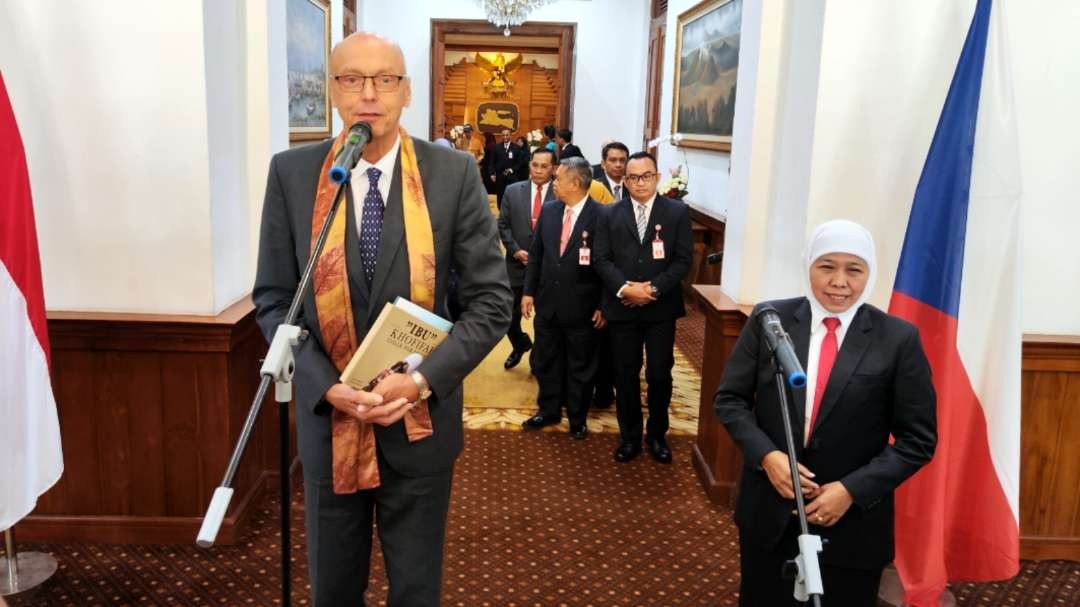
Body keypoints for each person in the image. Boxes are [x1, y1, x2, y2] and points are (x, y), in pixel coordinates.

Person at [252, 32, 511, 606]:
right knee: (333, 589)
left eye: (385, 80)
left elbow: (492, 303)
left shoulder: (453, 174)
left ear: (406, 90)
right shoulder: (294, 175)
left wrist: (420, 380)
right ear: (333, 91)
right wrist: (326, 389)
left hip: (418, 426)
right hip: (330, 425)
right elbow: (274, 299)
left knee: (416, 589)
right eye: (352, 79)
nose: (369, 94)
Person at [713, 220, 937, 606]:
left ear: (870, 273)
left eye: (854, 270)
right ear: (808, 267)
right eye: (827, 266)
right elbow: (729, 401)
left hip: (852, 525)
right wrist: (768, 457)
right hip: (770, 515)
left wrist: (852, 490)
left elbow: (918, 440)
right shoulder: (770, 322)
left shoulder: (898, 339)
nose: (839, 281)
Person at [593, 151, 692, 463]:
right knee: (624, 374)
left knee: (660, 374)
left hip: (660, 309)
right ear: (625, 180)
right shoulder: (609, 214)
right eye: (633, 177)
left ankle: (657, 435)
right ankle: (630, 437)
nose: (639, 183)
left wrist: (653, 288)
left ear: (657, 177)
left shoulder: (676, 212)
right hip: (623, 307)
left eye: (646, 176)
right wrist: (625, 288)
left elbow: (683, 260)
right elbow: (601, 259)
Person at [520, 157, 605, 439]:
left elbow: (608, 265)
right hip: (548, 303)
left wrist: (604, 305)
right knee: (547, 359)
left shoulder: (601, 216)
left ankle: (577, 419)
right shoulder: (550, 210)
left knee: (580, 365)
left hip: (583, 307)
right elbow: (537, 256)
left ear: (576, 183)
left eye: (558, 179)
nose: (553, 183)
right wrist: (528, 292)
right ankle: (548, 409)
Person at [496, 147, 557, 369]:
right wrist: (514, 250)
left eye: (544, 166)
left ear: (554, 169)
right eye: (535, 165)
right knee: (507, 318)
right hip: (516, 265)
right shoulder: (513, 191)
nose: (538, 170)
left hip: (547, 269)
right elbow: (502, 224)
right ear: (529, 165)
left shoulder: (560, 193)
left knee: (545, 320)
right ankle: (520, 343)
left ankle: (538, 359)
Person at [487, 128, 525, 208]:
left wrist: (511, 170)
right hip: (500, 176)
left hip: (512, 177)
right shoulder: (496, 147)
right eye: (503, 135)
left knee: (512, 196)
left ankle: (511, 213)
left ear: (510, 136)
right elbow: (491, 162)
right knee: (500, 195)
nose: (505, 137)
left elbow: (519, 163)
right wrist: (492, 174)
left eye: (507, 135)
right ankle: (501, 213)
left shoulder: (516, 148)